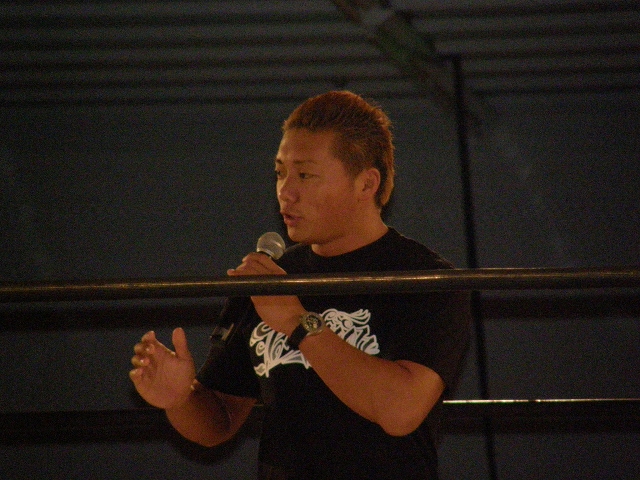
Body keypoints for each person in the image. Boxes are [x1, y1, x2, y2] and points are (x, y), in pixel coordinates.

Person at [130, 90, 471, 479]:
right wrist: (179, 398)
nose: (285, 191)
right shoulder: (270, 278)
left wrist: (297, 321)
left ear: (366, 184)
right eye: (280, 173)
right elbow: (218, 421)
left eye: (305, 175)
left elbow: (400, 412)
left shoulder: (426, 279)